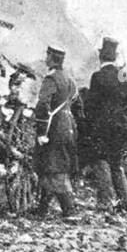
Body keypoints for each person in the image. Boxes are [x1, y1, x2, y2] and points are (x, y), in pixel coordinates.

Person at [86, 37, 127, 213]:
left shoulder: (97, 76)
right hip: (121, 127)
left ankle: (105, 201)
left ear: (100, 57)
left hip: (102, 127)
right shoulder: (122, 74)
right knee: (116, 163)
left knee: (101, 162)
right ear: (115, 57)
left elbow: (91, 105)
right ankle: (126, 200)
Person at [32, 45, 81, 221]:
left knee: (54, 166)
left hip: (53, 126)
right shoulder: (69, 78)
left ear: (52, 58)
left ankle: (69, 209)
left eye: (47, 55)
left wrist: (40, 130)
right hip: (68, 126)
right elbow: (77, 104)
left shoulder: (50, 79)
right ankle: (42, 208)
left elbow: (43, 104)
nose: (45, 58)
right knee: (51, 164)